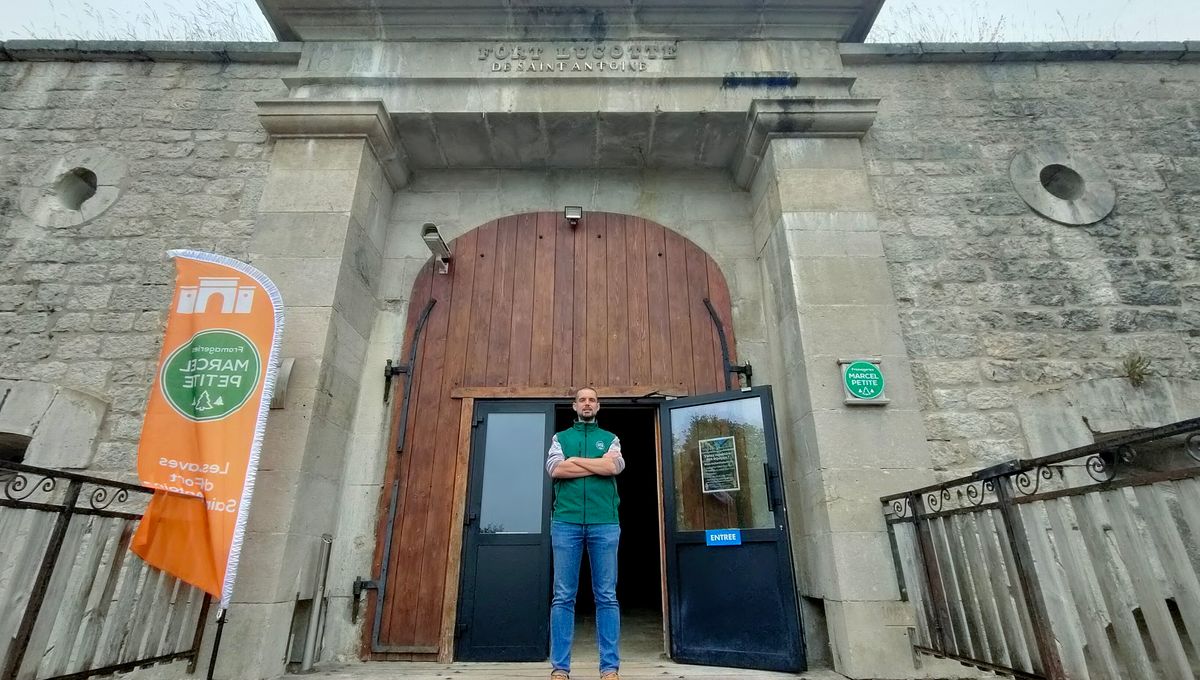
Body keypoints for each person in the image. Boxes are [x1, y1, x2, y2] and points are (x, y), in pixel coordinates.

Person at [544, 387, 625, 680]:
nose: (587, 404)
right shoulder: (560, 438)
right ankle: (560, 669)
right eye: (582, 400)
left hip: (605, 523)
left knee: (606, 596)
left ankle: (609, 669)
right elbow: (555, 469)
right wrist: (597, 466)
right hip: (565, 523)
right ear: (574, 406)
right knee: (563, 596)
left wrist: (576, 461)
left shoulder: (611, 438)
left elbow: (614, 466)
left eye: (592, 399)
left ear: (598, 406)